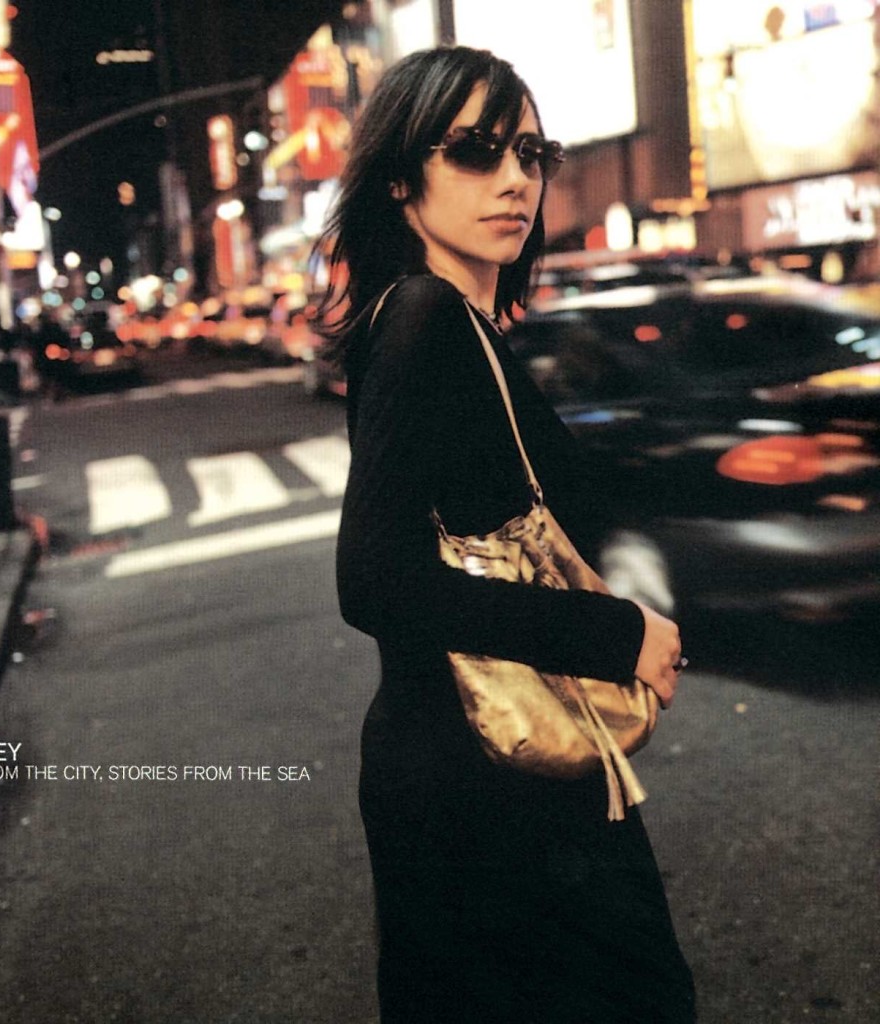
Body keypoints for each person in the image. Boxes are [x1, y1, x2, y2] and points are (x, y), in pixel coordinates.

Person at [315, 47, 696, 1022]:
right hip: (481, 784)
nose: (516, 178)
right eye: (475, 151)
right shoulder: (424, 319)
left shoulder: (462, 326)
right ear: (399, 178)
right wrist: (617, 635)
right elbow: (375, 578)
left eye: (531, 152)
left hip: (494, 764)